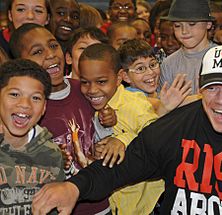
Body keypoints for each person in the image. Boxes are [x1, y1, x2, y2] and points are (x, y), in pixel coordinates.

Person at [32, 44, 222, 214]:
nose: (220, 99)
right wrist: (74, 188)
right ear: (200, 86)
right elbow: (124, 166)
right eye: (212, 87)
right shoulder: (175, 127)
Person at [9, 23, 114, 215]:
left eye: (53, 45)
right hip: (56, 208)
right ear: (22, 62)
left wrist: (109, 130)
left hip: (99, 204)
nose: (50, 54)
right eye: (38, 51)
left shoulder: (84, 88)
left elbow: (100, 137)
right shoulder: (26, 109)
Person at [77, 43, 164, 214]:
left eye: (101, 82)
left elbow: (158, 140)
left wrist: (124, 139)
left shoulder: (134, 104)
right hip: (119, 203)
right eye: (85, 82)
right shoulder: (94, 106)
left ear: (119, 78)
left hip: (148, 204)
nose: (92, 90)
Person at [0, 59, 65, 213]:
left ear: (44, 108)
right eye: (15, 94)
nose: (25, 104)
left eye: (35, 98)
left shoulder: (52, 154)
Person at [118, 39, 192, 116]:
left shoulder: (157, 93)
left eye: (152, 65)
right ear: (126, 76)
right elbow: (158, 105)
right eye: (140, 69)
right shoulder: (130, 97)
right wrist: (200, 96)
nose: (150, 72)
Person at [159, 0, 215, 95]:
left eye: (192, 24)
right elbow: (163, 104)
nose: (184, 31)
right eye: (177, 26)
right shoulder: (168, 64)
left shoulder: (221, 57)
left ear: (208, 24)